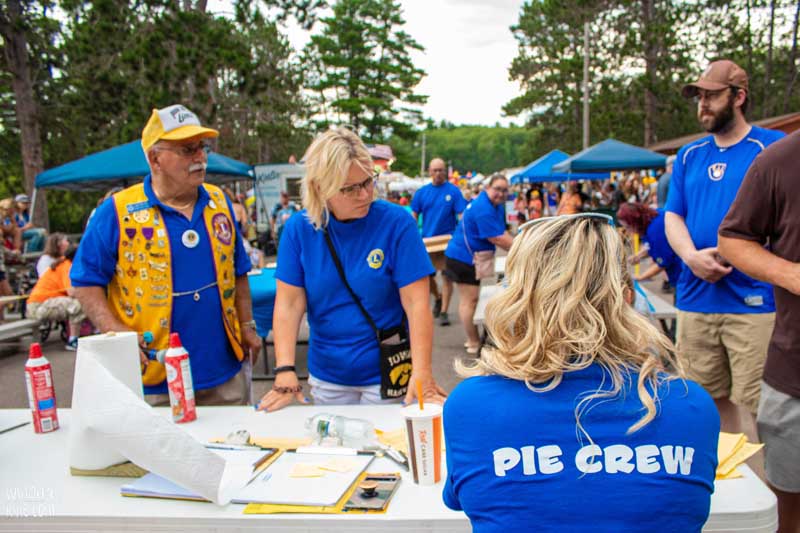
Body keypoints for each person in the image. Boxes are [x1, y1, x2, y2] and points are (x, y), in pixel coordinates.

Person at [443, 214, 719, 532]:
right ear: (627, 298)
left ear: (515, 298)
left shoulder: (471, 406)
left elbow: (462, 499)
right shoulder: (690, 407)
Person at [71, 104, 261, 405]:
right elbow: (83, 282)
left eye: (202, 147)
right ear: (154, 158)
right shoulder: (117, 211)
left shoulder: (220, 202)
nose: (200, 157)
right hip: (154, 378)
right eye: (187, 149)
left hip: (224, 372)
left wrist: (247, 325)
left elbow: (238, 271)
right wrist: (116, 333)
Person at [256, 128, 445, 411]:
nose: (365, 194)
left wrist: (422, 371)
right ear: (321, 188)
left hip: (389, 369)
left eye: (368, 182)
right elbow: (289, 303)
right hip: (329, 375)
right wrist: (284, 369)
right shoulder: (299, 229)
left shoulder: (396, 223)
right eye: (350, 188)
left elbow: (416, 303)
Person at [664, 59, 785, 435]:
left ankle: (770, 491)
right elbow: (673, 216)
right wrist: (690, 257)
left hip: (755, 301)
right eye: (699, 96)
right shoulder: (689, 155)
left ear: (738, 96)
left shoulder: (772, 148)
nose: (702, 104)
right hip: (696, 297)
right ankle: (731, 487)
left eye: (712, 96)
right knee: (704, 404)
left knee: (762, 407)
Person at [718, 132, 800, 533]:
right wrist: (791, 274)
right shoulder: (780, 160)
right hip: (795, 375)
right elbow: (732, 238)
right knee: (788, 509)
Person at [443, 174, 513, 354]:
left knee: (471, 300)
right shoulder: (483, 208)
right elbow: (496, 237)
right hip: (463, 258)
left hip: (467, 256)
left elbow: (500, 231)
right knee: (469, 301)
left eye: (504, 190)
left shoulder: (493, 205)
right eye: (497, 188)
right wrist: (525, 248)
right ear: (487, 188)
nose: (501, 193)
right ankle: (473, 341)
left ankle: (473, 338)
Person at [411, 157, 467, 326]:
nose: (438, 174)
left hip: (447, 241)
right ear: (429, 172)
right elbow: (414, 216)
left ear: (446, 172)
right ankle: (438, 297)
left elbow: (462, 216)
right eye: (435, 170)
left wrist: (461, 235)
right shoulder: (422, 193)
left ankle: (444, 311)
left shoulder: (453, 191)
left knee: (447, 277)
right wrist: (411, 237)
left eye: (441, 170)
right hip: (427, 241)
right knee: (427, 278)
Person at [27, 245, 86, 350]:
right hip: (38, 305)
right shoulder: (67, 266)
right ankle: (73, 341)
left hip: (42, 303)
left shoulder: (64, 264)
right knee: (78, 304)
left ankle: (75, 337)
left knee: (79, 302)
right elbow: (71, 292)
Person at [617, 203, 681, 288]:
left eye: (628, 227)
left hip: (682, 273)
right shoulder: (652, 217)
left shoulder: (655, 231)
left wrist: (641, 277)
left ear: (635, 221)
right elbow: (652, 246)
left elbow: (663, 262)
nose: (628, 231)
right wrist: (638, 256)